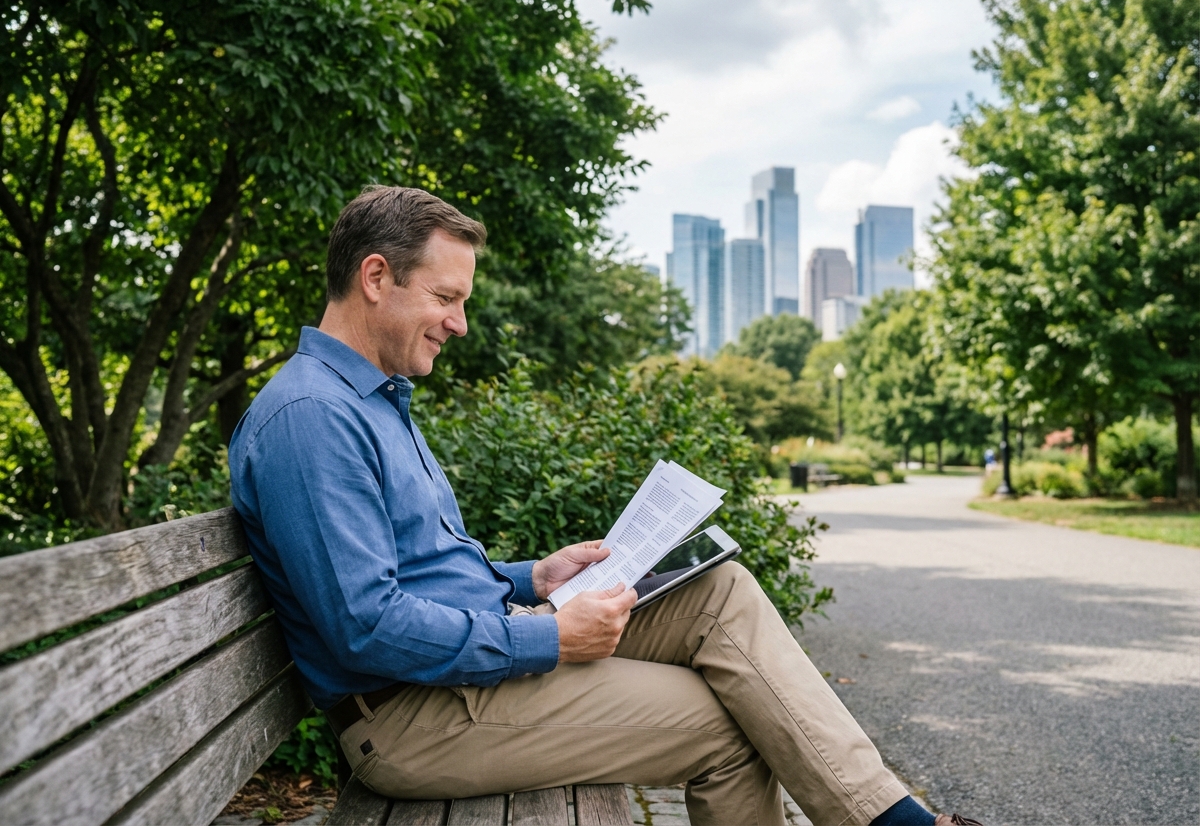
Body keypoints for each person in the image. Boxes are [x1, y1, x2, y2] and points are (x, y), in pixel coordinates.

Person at [229, 187, 981, 826]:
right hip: (411, 718)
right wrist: (552, 637)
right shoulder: (313, 418)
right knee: (729, 727)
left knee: (717, 589)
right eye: (446, 297)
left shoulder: (370, 401)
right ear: (375, 277)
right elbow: (366, 628)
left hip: (460, 673)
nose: (459, 322)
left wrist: (533, 578)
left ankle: (894, 819)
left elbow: (421, 568)